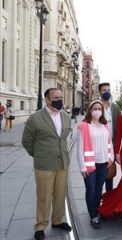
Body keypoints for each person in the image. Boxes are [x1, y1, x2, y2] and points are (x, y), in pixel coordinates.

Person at [22, 88, 72, 240]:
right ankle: (40, 226)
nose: (59, 100)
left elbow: (64, 137)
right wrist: (39, 155)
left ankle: (58, 220)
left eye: (61, 97)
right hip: (44, 164)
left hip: (62, 162)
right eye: (56, 97)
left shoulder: (65, 117)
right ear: (47, 99)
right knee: (43, 196)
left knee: (60, 194)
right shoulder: (35, 118)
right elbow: (27, 141)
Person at [77, 100, 114, 229]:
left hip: (103, 163)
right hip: (90, 165)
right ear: (90, 110)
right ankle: (93, 215)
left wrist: (111, 158)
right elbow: (79, 148)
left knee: (98, 190)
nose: (97, 111)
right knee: (91, 190)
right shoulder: (84, 125)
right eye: (94, 108)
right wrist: (82, 166)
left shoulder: (105, 125)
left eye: (99, 108)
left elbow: (109, 143)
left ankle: (97, 210)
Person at [98, 82, 121, 192]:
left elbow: (120, 126)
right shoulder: (96, 106)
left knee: (110, 173)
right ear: (100, 92)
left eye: (108, 90)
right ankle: (97, 197)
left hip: (111, 145)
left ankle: (108, 197)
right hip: (98, 145)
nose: (107, 92)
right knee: (99, 174)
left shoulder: (115, 108)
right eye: (104, 90)